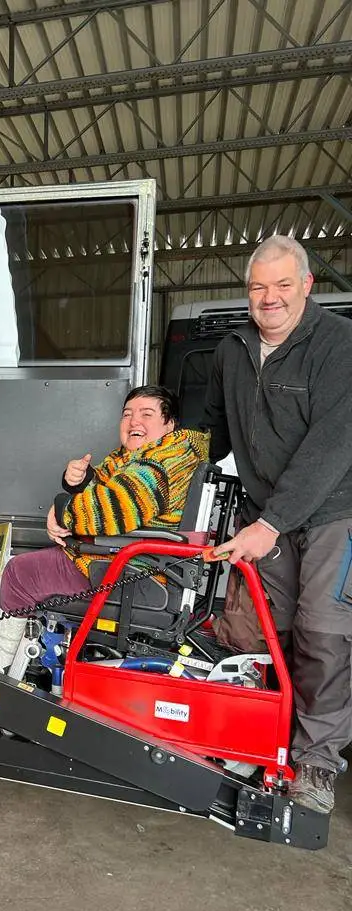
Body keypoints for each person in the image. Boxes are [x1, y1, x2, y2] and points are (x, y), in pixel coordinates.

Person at [204, 235, 352, 814]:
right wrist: (160, 477)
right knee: (273, 631)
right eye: (259, 287)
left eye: (283, 285)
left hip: (333, 510)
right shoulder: (233, 349)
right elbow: (212, 431)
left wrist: (272, 522)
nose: (270, 298)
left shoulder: (337, 345)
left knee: (323, 634)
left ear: (308, 286)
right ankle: (274, 737)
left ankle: (317, 762)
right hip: (267, 512)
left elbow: (332, 445)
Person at [0, 385, 207, 671]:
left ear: (170, 423)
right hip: (126, 562)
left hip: (126, 570)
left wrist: (63, 511)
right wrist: (79, 480)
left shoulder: (166, 460)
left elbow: (114, 506)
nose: (133, 421)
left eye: (146, 414)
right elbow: (105, 484)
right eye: (127, 414)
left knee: (18, 573)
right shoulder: (143, 455)